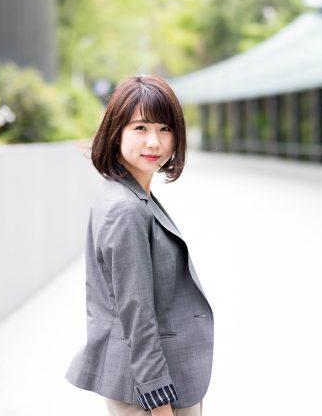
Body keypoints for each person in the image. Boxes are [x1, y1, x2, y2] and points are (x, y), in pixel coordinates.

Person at [65, 75, 213, 415]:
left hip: (167, 379)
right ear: (116, 131)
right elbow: (137, 315)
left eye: (165, 128)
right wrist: (159, 404)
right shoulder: (126, 209)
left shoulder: (131, 194)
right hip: (148, 390)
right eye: (140, 128)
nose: (154, 142)